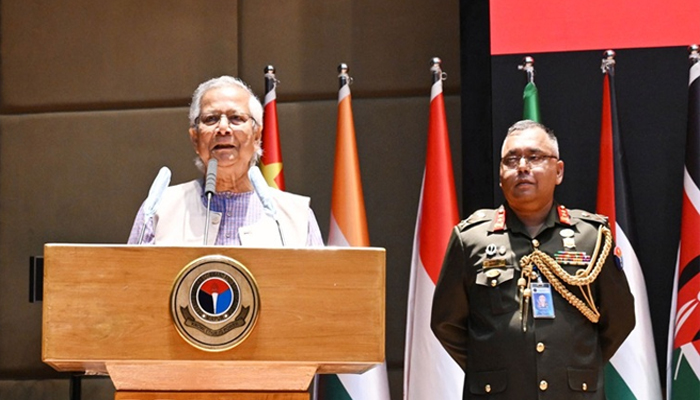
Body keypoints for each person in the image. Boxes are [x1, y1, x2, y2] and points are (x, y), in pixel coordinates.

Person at [431, 120, 635, 399]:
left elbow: (620, 318)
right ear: (500, 174)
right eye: (511, 160)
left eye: (535, 157)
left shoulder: (591, 236)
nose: (522, 167)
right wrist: (491, 367)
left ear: (559, 171)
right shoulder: (471, 238)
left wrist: (575, 363)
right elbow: (446, 322)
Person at [128, 75, 323, 247]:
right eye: (211, 119)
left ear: (257, 136)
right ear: (195, 138)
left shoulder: (295, 216)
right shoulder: (159, 209)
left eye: (236, 118)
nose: (223, 128)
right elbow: (129, 274)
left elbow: (319, 278)